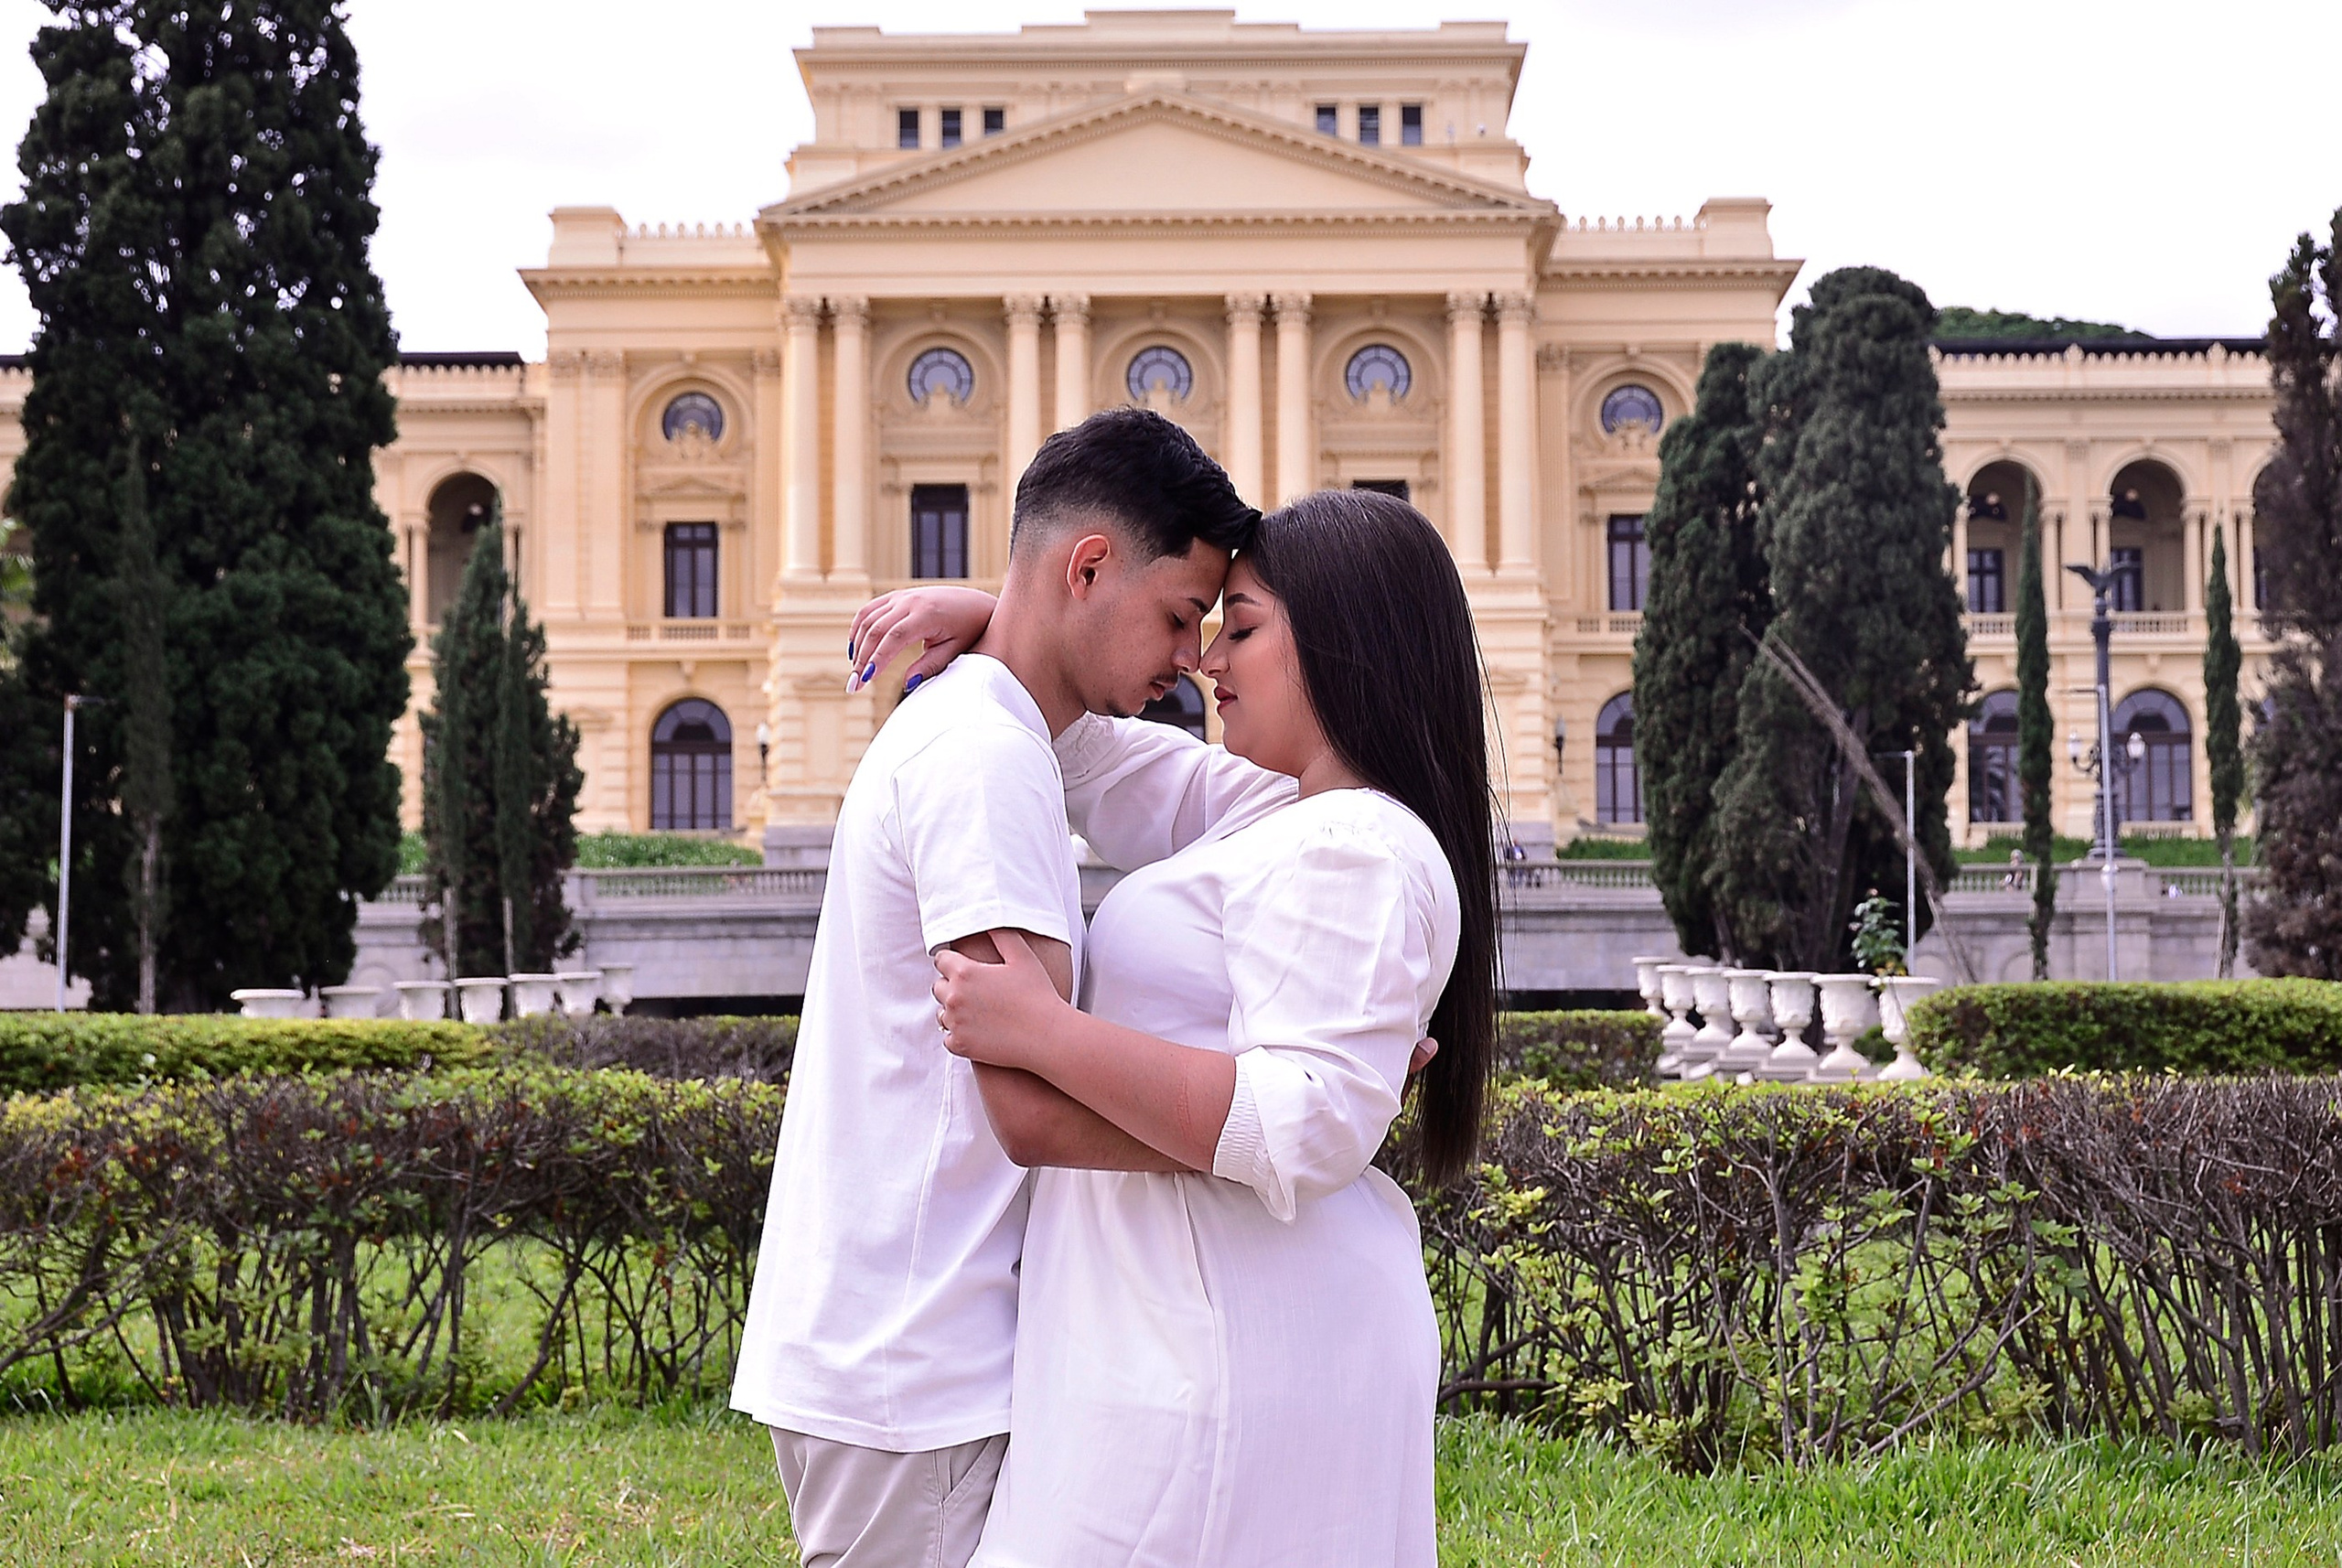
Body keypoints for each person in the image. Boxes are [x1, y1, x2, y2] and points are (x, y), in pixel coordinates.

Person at [862, 488, 1499, 1566]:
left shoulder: (1355, 848)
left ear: (1343, 644)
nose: (1205, 660)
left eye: (1239, 627)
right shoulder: (1284, 812)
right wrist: (1014, 614)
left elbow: (1308, 1124)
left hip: (1212, 1352)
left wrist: (1044, 1033)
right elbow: (1087, 757)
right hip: (1169, 1327)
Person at [729, 406, 1259, 1568]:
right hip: (921, 1366)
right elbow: (1028, 1104)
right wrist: (1290, 1128)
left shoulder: (988, 728)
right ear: (1089, 567)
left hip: (907, 1348)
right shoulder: (984, 758)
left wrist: (991, 613)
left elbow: (1178, 788)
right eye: (1181, 614)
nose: (1190, 657)